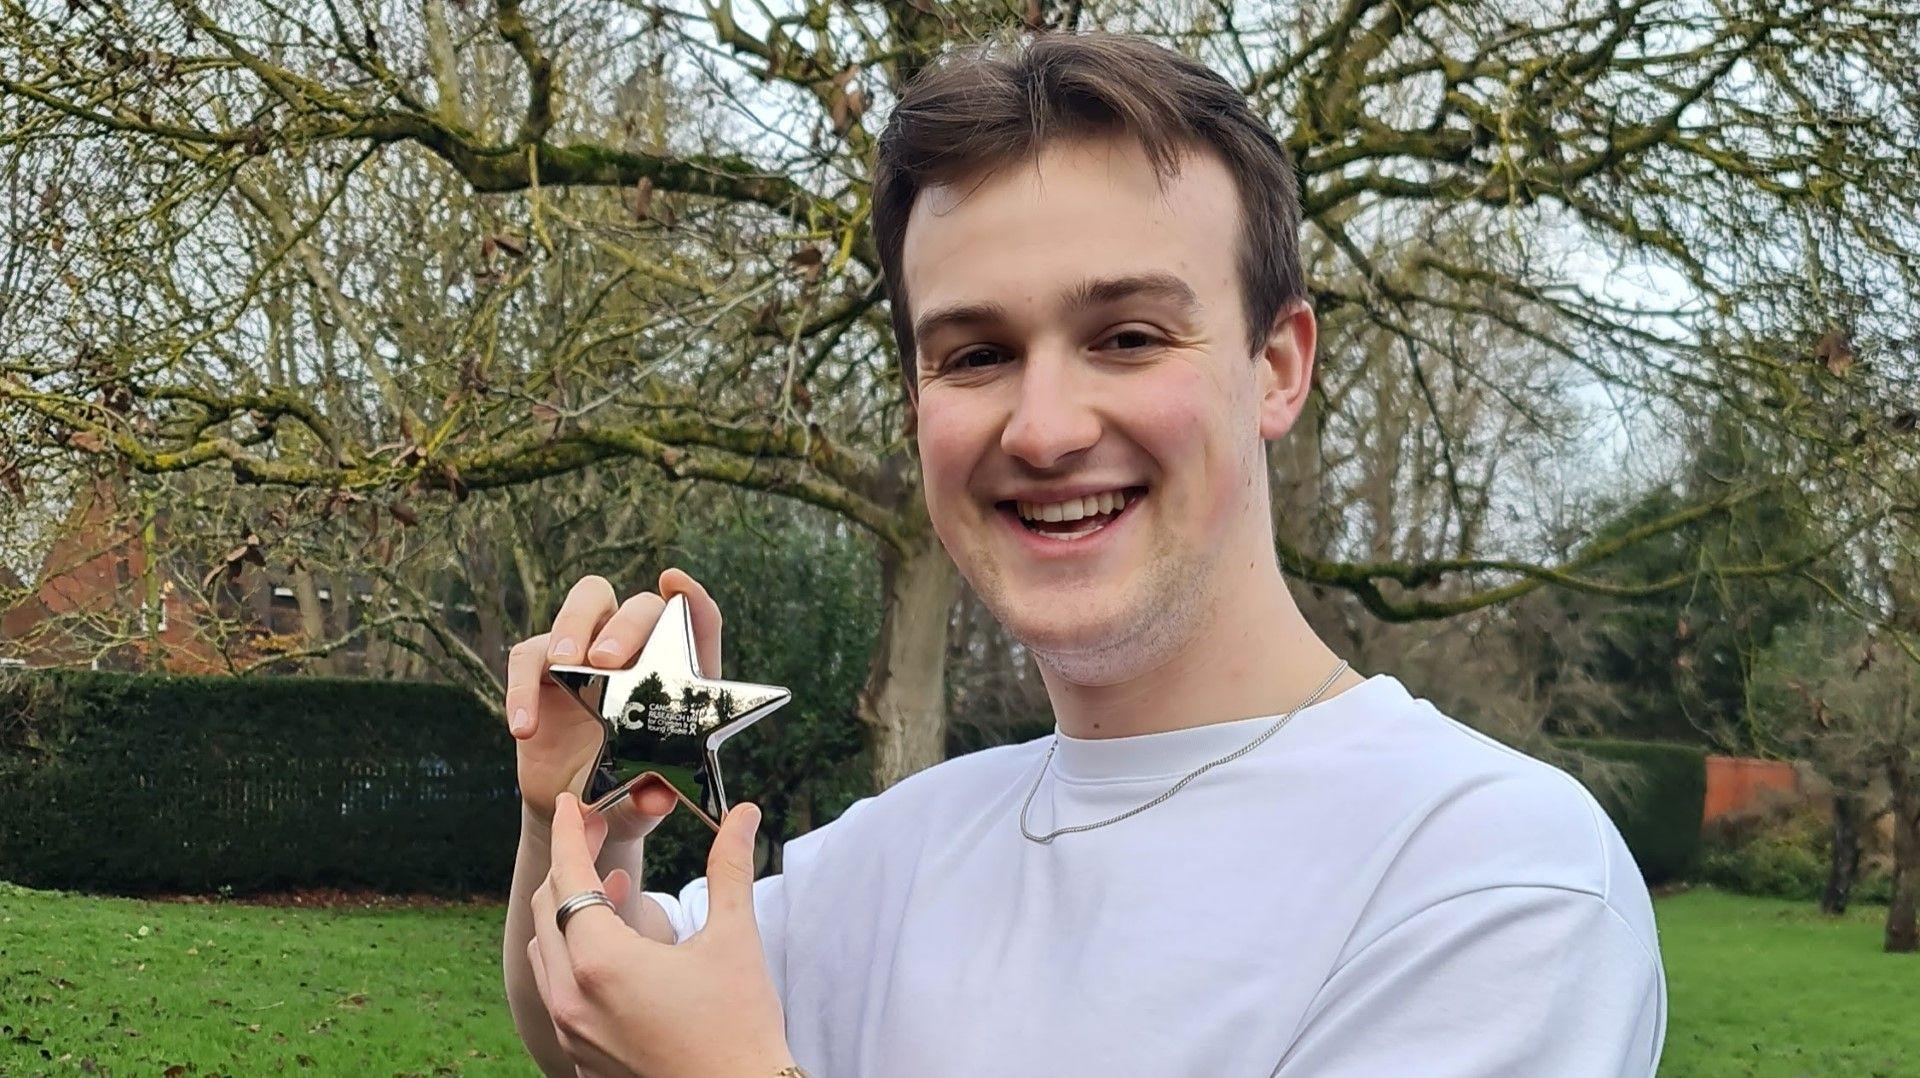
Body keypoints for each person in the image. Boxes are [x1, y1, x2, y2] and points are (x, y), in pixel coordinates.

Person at [501, 29, 1667, 1078]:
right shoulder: (899, 848)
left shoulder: (1493, 877)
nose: (1046, 427)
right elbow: (599, 1025)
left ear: (1278, 364)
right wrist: (575, 811)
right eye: (974, 355)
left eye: (1127, 336)